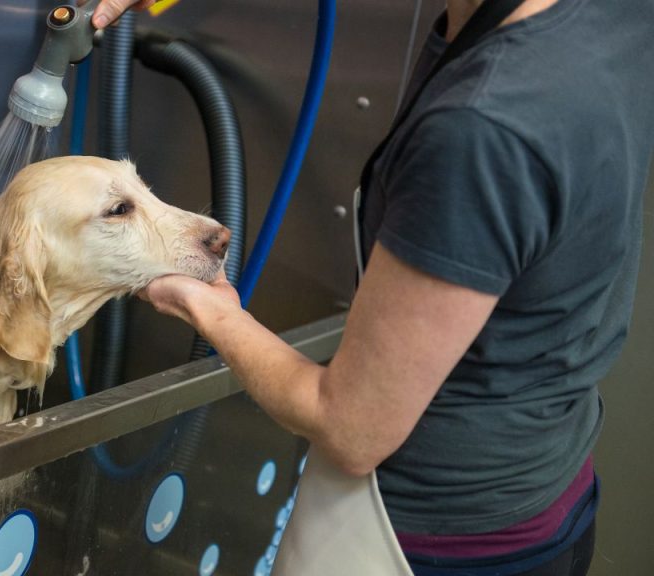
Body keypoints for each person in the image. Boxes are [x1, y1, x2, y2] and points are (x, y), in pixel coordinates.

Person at [95, 0, 654, 574]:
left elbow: (351, 427)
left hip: (432, 544)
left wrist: (204, 306)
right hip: (553, 488)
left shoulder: (484, 127)